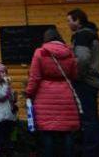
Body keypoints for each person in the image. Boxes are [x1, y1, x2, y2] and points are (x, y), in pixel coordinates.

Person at [25, 28, 80, 157]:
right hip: (65, 94)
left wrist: (29, 93)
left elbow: (35, 77)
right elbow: (74, 74)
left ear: (46, 38)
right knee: (67, 131)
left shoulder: (40, 52)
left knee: (47, 131)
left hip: (45, 96)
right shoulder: (69, 53)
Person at [67, 8, 99, 156]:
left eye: (69, 20)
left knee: (88, 120)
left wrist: (77, 75)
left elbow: (82, 59)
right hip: (92, 81)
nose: (68, 24)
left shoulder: (82, 35)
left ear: (78, 20)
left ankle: (90, 152)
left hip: (85, 82)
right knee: (91, 118)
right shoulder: (92, 33)